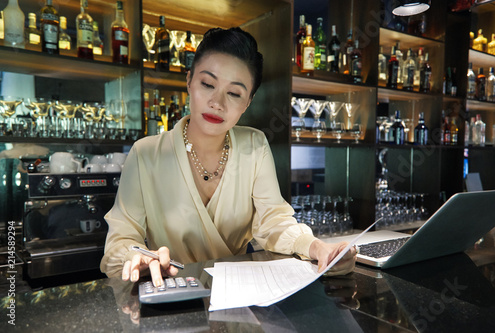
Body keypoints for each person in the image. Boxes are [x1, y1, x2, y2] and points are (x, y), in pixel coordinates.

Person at [100, 27, 356, 287]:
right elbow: (119, 242)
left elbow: (273, 222)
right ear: (189, 81)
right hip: (172, 293)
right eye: (207, 84)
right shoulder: (145, 153)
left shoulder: (254, 145)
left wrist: (316, 248)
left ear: (248, 102)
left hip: (238, 293)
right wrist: (137, 257)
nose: (217, 102)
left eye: (234, 93)